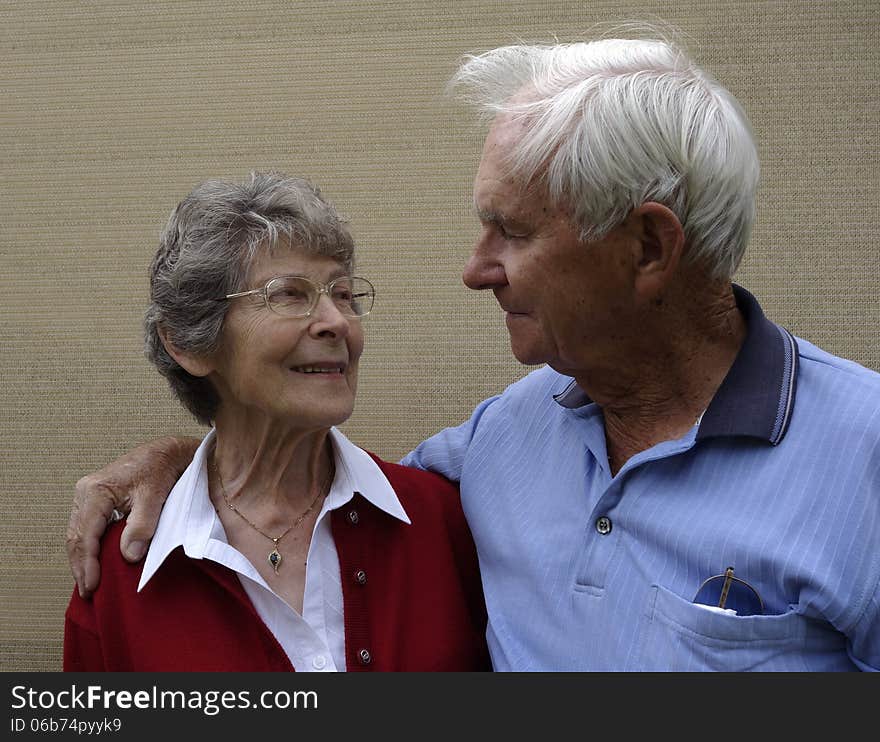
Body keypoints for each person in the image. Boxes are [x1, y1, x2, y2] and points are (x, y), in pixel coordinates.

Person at [67, 33, 880, 671]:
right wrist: (187, 458)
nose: (474, 269)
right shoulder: (503, 442)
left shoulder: (862, 455)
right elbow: (310, 475)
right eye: (289, 295)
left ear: (646, 247)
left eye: (514, 231)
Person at [63, 172, 490, 671]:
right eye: (289, 294)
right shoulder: (119, 576)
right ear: (188, 343)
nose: (336, 321)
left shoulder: (441, 520)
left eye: (344, 293)